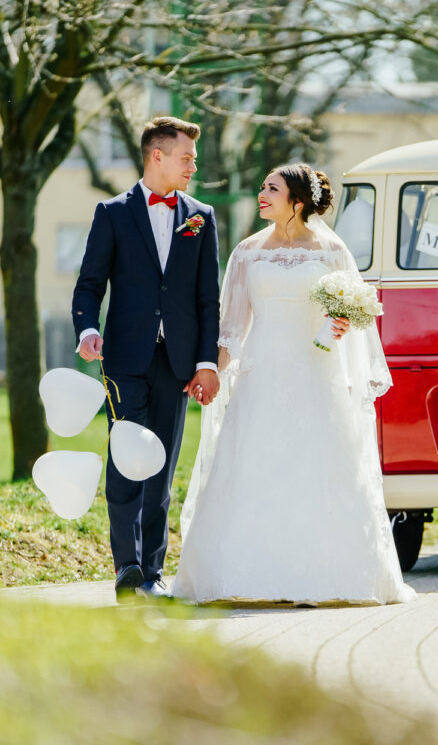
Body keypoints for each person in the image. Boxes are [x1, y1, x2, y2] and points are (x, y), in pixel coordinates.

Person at [172, 163, 415, 605]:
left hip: (315, 371)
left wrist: (343, 324)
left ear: (297, 202)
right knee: (253, 464)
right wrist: (210, 367)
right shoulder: (247, 252)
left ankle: (327, 577)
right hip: (260, 373)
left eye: (272, 188)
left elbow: (353, 316)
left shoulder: (331, 250)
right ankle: (240, 578)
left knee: (318, 466)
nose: (261, 193)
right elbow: (231, 328)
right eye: (262, 186)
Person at [72, 116, 221, 602]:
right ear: (157, 155)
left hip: (177, 363)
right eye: (186, 157)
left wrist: (206, 362)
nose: (193, 166)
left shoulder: (202, 216)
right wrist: (88, 328)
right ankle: (127, 569)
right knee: (126, 463)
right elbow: (91, 282)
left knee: (161, 467)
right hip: (125, 360)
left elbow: (207, 299)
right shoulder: (112, 213)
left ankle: (153, 571)